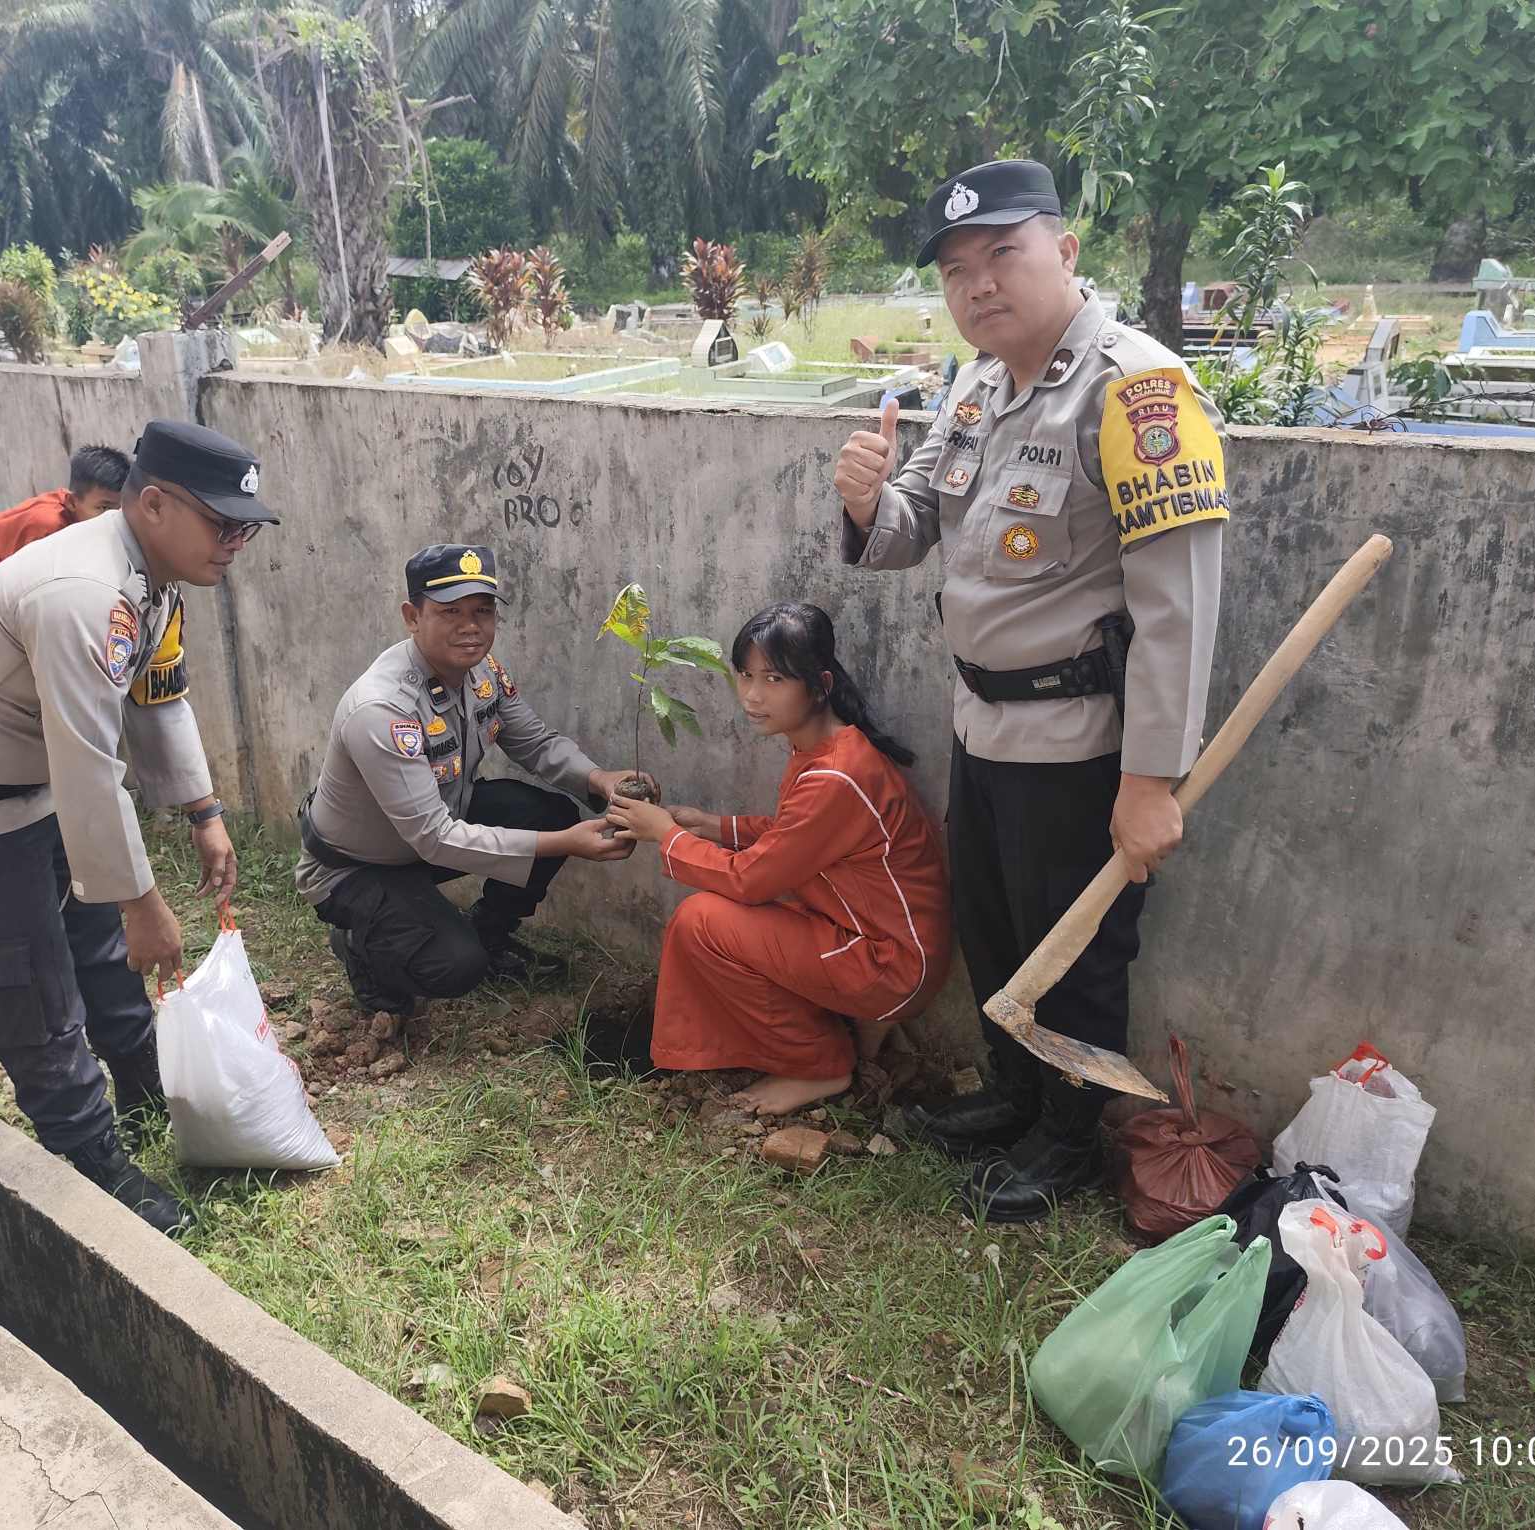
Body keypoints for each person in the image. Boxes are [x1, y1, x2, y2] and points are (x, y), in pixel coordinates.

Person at [833, 159, 1228, 1222]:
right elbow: (912, 528)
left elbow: (1179, 609)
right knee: (999, 930)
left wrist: (1151, 781)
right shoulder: (978, 386)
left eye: (1003, 253)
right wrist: (868, 502)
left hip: (1080, 742)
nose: (980, 284)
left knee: (1078, 954)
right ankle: (1014, 1097)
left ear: (1067, 250)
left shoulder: (1135, 391)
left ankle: (1068, 1139)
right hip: (982, 724)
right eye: (957, 269)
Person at [0, 419, 273, 1236]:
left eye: (246, 529)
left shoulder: (154, 577)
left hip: (37, 783)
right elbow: (90, 763)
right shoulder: (84, 592)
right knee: (33, 990)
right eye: (221, 524)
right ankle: (94, 1163)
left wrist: (203, 813)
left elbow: (158, 696)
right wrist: (143, 903)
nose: (235, 544)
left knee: (99, 952)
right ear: (153, 505)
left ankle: (143, 1087)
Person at [606, 603, 951, 1116]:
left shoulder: (836, 777)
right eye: (745, 675)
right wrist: (714, 826)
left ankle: (818, 1065)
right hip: (879, 943)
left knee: (702, 922)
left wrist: (667, 836)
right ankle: (849, 1033)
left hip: (889, 964)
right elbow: (798, 837)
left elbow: (751, 880)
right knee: (733, 918)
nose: (752, 695)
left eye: (774, 679)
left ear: (820, 684)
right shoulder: (830, 750)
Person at [297, 544, 645, 1018]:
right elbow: (434, 837)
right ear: (412, 616)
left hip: (431, 837)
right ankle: (362, 948)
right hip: (358, 866)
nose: (471, 626)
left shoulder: (483, 672)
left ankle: (490, 935)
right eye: (450, 612)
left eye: (482, 611)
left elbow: (535, 743)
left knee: (550, 813)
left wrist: (600, 779)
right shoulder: (382, 709)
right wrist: (567, 842)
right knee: (457, 965)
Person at [0, 446, 131, 623]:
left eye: (119, 508)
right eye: (103, 508)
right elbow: (36, 593)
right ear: (72, 502)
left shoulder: (80, 517)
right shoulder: (48, 527)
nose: (112, 517)